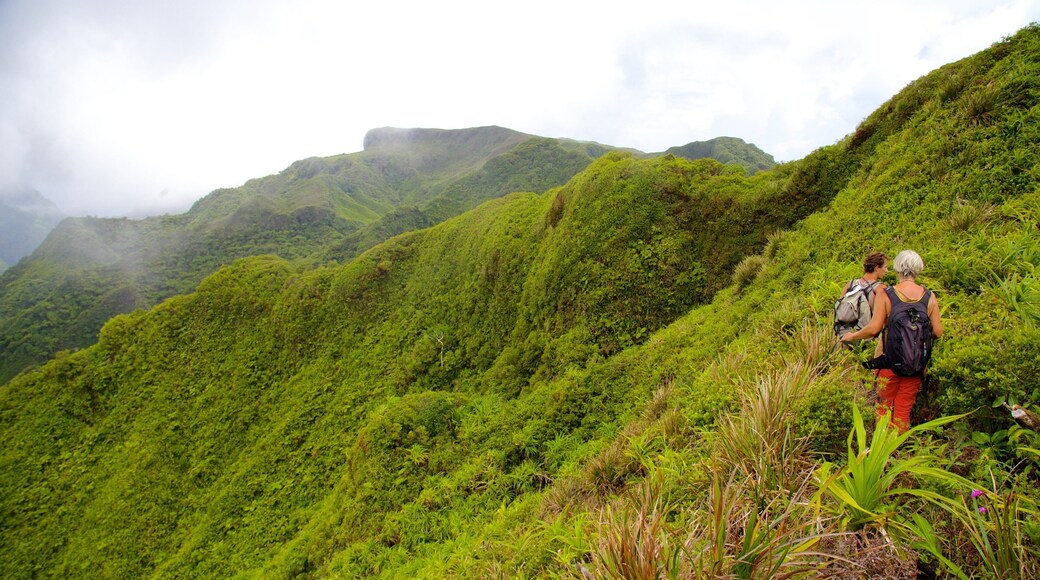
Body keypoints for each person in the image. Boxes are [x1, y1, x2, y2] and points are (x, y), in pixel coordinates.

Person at [840, 250, 943, 432]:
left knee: (883, 404)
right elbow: (938, 332)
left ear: (897, 269)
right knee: (904, 406)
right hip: (916, 363)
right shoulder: (929, 296)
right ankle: (900, 447)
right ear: (918, 269)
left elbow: (874, 328)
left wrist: (852, 336)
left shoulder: (888, 294)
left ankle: (883, 449)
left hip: (888, 359)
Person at [834, 252, 889, 343]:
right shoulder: (880, 289)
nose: (886, 271)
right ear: (876, 268)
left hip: (845, 336)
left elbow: (839, 310)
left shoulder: (850, 284)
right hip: (867, 338)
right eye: (885, 267)